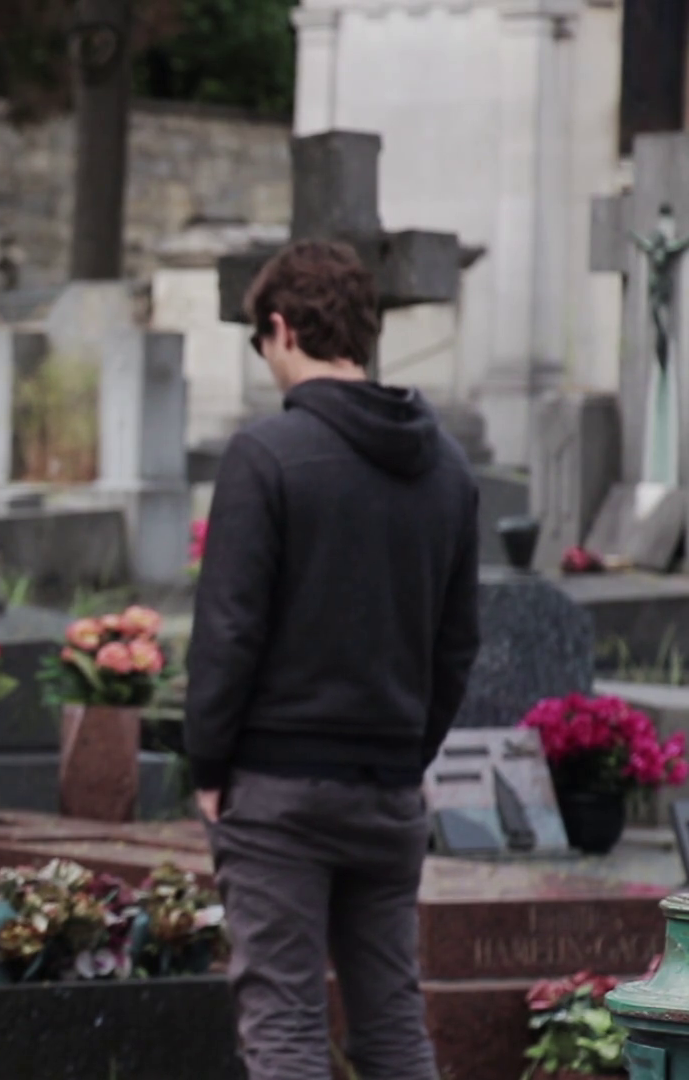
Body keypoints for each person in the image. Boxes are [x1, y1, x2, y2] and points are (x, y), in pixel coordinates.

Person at [185, 240, 480, 1080]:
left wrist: (208, 765)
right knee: (393, 1031)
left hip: (278, 786)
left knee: (284, 1029)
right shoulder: (449, 470)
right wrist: (407, 754)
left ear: (282, 329)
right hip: (388, 792)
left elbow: (229, 631)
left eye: (261, 343)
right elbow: (457, 643)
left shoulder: (267, 456)